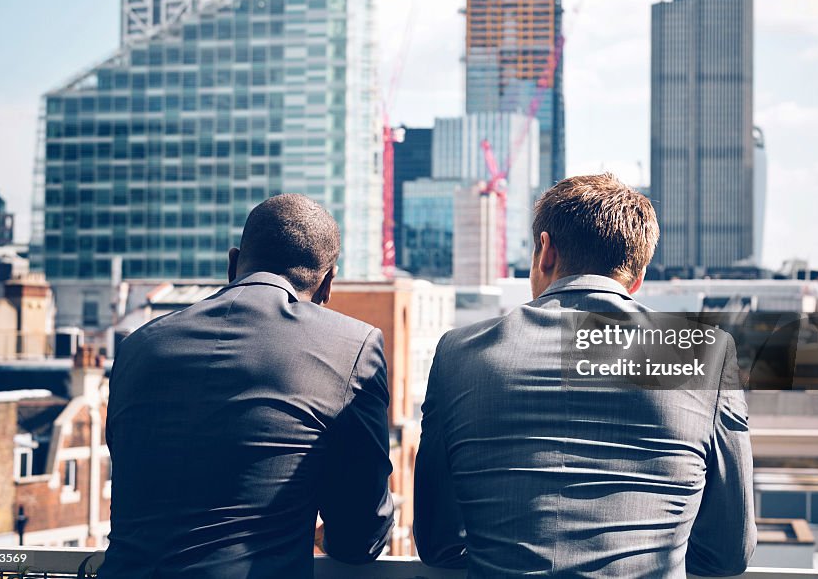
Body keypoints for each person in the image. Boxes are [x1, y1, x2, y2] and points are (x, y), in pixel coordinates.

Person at [414, 173, 755, 578]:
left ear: (545, 252)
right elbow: (728, 553)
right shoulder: (705, 354)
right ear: (638, 277)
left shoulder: (459, 353)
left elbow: (437, 543)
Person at [100, 194, 394, 579]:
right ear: (328, 284)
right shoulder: (351, 347)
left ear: (233, 264)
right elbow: (361, 536)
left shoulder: (140, 345)